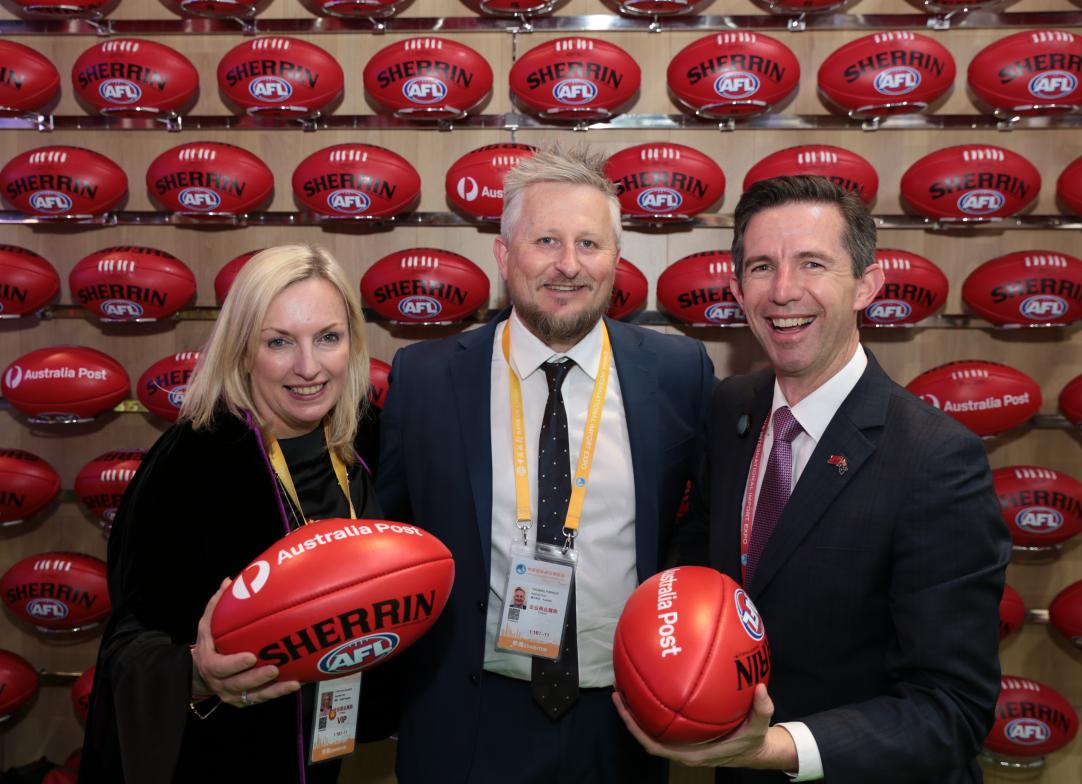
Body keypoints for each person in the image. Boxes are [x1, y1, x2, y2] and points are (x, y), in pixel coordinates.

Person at [616, 175, 1011, 783]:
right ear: (737, 289)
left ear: (866, 286)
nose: (783, 291)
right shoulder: (731, 409)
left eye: (812, 264)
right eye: (760, 267)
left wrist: (775, 749)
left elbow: (950, 710)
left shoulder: (937, 460)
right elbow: (704, 581)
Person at [376, 146, 715, 783]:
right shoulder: (424, 380)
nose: (568, 265)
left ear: (616, 259)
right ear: (504, 257)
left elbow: (701, 527)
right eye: (546, 241)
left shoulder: (677, 374)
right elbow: (388, 536)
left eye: (589, 243)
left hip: (625, 721)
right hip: (468, 718)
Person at [79, 244, 383, 784]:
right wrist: (195, 676)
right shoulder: (191, 460)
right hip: (213, 758)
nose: (309, 367)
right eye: (279, 342)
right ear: (243, 350)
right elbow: (128, 644)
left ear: (353, 344)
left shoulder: (368, 442)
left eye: (328, 338)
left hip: (326, 751)